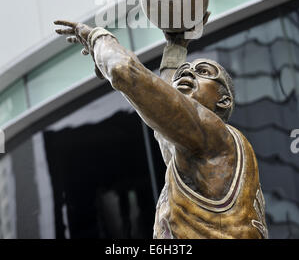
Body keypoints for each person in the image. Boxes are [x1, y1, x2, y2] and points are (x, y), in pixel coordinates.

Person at [54, 20, 268, 239]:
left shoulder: (217, 137)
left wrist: (98, 38)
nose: (189, 73)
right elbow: (161, 112)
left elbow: (123, 70)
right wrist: (176, 47)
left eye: (203, 71)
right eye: (184, 72)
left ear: (223, 101)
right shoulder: (191, 153)